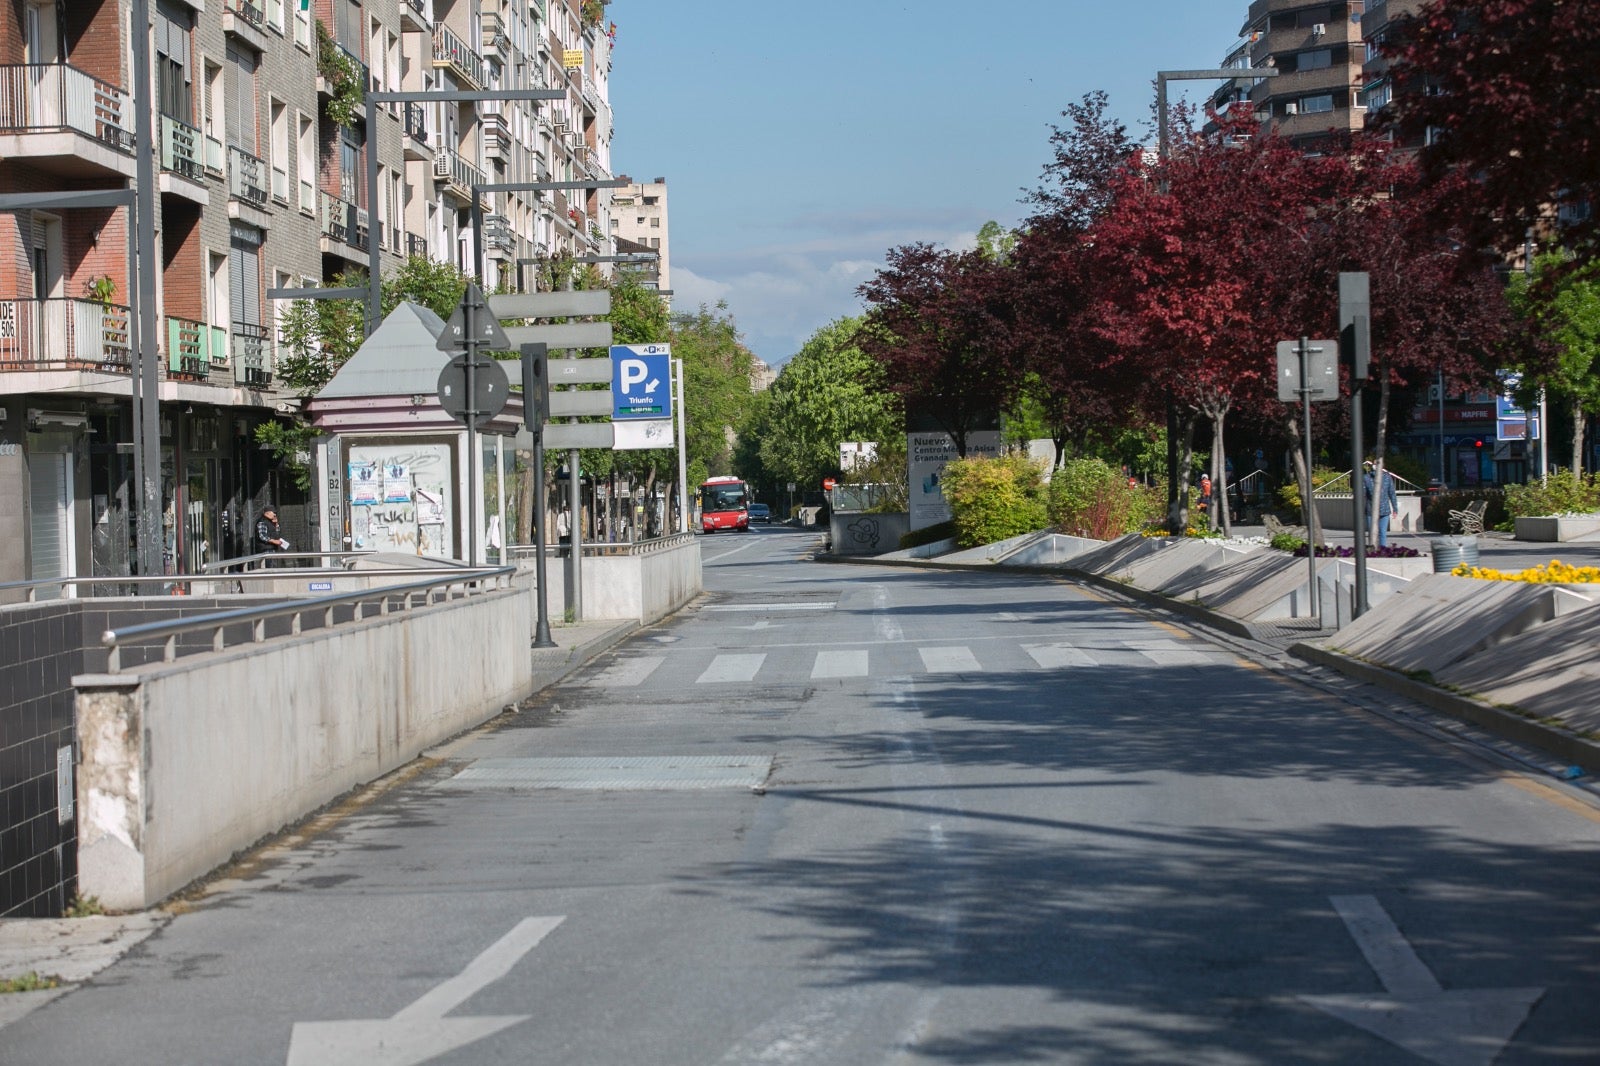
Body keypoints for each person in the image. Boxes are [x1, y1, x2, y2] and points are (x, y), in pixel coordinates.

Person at [1363, 460, 1399, 548]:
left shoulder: (1387, 477)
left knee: (1382, 532)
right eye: (1374, 464)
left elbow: (1392, 493)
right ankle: (1372, 548)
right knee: (1372, 532)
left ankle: (1382, 549)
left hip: (1384, 510)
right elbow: (1362, 494)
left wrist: (1395, 508)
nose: (1375, 466)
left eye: (1378, 464)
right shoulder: (1366, 478)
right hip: (1370, 510)